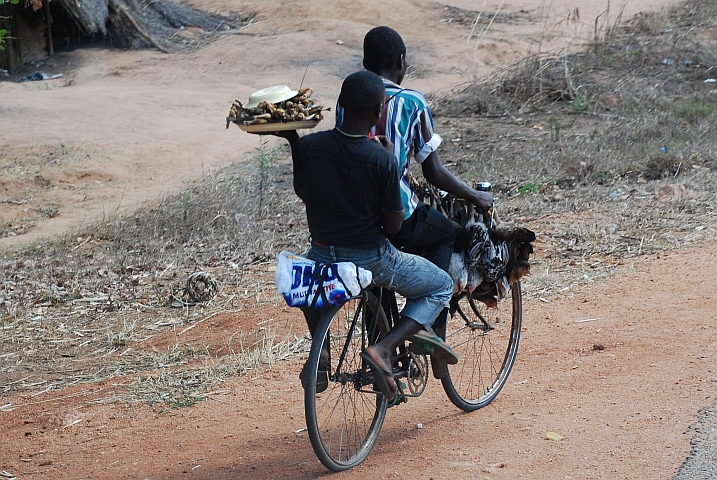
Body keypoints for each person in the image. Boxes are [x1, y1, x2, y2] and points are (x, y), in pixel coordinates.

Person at [268, 71, 455, 402]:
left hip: (323, 254)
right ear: (378, 112)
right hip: (372, 258)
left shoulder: (311, 146)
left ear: (340, 105)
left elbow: (303, 191)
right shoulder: (380, 158)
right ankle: (383, 349)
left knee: (303, 283)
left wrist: (294, 139)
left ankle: (321, 352)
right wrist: (389, 166)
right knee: (441, 286)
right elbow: (394, 226)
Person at [337, 26, 494, 379]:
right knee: (444, 234)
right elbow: (434, 172)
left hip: (354, 212)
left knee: (372, 278)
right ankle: (430, 328)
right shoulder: (412, 100)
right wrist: (473, 194)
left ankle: (384, 354)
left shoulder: (348, 96)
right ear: (401, 62)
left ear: (364, 63)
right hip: (395, 210)